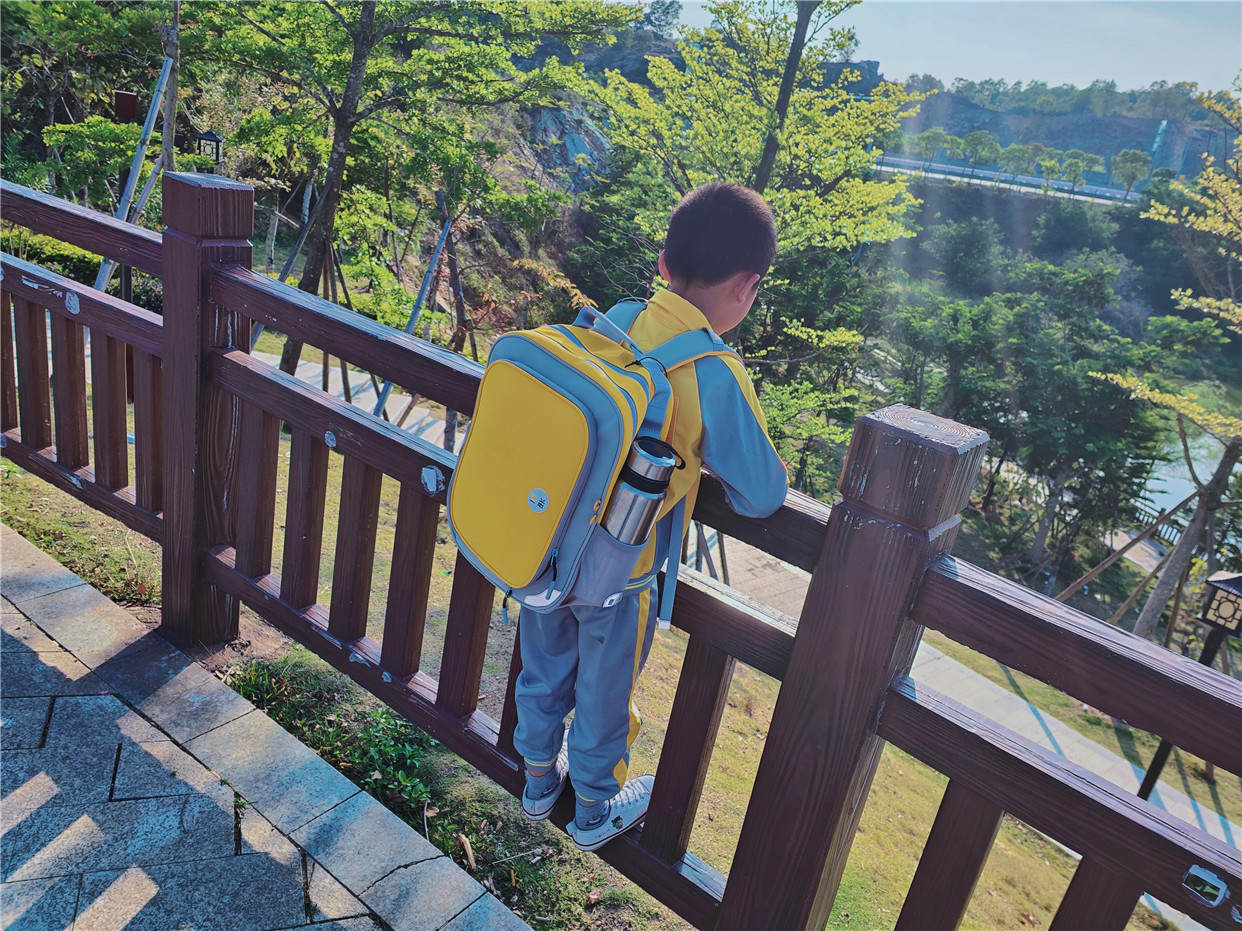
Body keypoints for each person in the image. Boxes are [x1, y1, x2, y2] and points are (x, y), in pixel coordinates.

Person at [513, 182, 789, 851]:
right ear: (746, 286)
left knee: (544, 666)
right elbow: (764, 493)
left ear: (664, 264)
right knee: (606, 690)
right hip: (622, 570)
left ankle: (535, 779)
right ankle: (594, 810)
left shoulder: (616, 317)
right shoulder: (714, 369)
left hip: (552, 545)